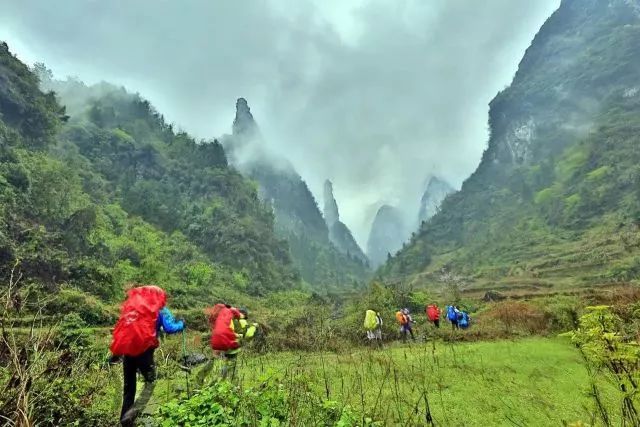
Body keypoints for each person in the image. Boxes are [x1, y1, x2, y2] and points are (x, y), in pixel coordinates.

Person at [109, 285, 185, 427]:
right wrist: (181, 324)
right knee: (151, 382)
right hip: (145, 352)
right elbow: (169, 328)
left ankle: (125, 421)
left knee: (129, 388)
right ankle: (132, 413)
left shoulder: (133, 309)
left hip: (128, 353)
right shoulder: (158, 310)